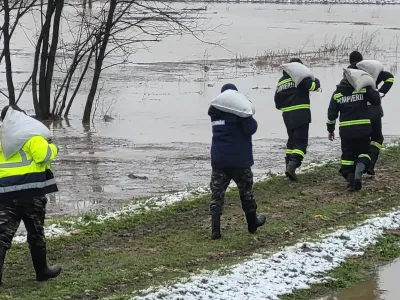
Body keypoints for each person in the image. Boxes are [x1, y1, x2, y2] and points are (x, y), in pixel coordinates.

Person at [0, 105, 61, 286]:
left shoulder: (2, 138)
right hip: (31, 192)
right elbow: (43, 155)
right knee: (35, 232)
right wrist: (54, 147)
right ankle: (42, 271)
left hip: (4, 194)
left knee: (2, 236)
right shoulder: (31, 135)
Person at [208, 83, 266, 240]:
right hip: (240, 160)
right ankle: (252, 223)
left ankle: (215, 230)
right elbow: (251, 128)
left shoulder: (214, 114)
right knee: (246, 192)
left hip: (219, 160)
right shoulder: (240, 113)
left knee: (217, 195)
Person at [326, 71, 381, 191]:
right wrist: (371, 88)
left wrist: (330, 129)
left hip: (346, 131)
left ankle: (351, 183)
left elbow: (331, 114)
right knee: (364, 153)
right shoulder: (363, 89)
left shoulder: (337, 93)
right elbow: (376, 101)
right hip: (363, 129)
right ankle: (359, 172)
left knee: (347, 157)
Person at [348, 51, 394, 175]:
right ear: (362, 60)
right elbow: (390, 77)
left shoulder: (349, 73)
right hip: (374, 109)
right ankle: (370, 165)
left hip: (357, 111)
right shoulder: (371, 71)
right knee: (377, 138)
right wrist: (381, 92)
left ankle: (358, 165)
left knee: (361, 140)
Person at [274, 58, 321, 181]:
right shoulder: (301, 76)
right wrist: (317, 81)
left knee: (291, 141)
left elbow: (277, 103)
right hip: (301, 114)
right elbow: (312, 86)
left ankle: (288, 166)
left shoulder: (281, 82)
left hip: (287, 116)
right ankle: (292, 166)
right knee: (301, 143)